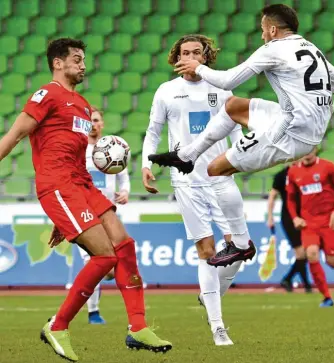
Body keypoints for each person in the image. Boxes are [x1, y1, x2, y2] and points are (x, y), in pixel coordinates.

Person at [0, 38, 171, 362]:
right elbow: (14, 136)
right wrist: (59, 208)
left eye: (83, 59)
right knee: (104, 256)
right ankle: (58, 325)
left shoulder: (81, 104)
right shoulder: (46, 94)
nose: (83, 64)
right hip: (58, 185)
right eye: (77, 59)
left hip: (81, 184)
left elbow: (73, 155)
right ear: (58, 63)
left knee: (124, 244)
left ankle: (137, 327)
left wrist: (61, 219)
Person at [148, 4, 334, 268]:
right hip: (299, 121)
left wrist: (198, 67)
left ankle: (241, 244)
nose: (262, 35)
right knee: (233, 107)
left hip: (289, 133)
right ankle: (186, 155)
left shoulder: (273, 49)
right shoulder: (311, 49)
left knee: (215, 169)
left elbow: (228, 80)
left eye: (264, 30)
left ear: (273, 29)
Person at [142, 34, 249, 346]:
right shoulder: (167, 91)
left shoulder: (221, 87)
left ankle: (210, 295)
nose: (189, 57)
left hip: (221, 177)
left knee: (239, 249)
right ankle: (218, 326)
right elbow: (154, 130)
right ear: (176, 57)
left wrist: (240, 155)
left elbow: (240, 127)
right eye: (184, 52)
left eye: (196, 53)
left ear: (206, 57)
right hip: (186, 182)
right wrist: (147, 164)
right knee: (207, 252)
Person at [78, 106, 131, 324]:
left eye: (97, 120)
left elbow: (124, 176)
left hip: (108, 214)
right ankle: (93, 313)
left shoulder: (113, 148)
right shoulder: (78, 150)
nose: (93, 124)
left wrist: (126, 191)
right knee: (93, 263)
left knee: (108, 269)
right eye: (89, 120)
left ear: (102, 124)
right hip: (85, 215)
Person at [286, 148, 334, 307]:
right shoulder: (293, 172)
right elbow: (290, 199)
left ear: (315, 149)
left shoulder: (328, 167)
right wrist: (295, 218)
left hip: (329, 221)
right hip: (309, 224)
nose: (307, 152)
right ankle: (327, 297)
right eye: (304, 149)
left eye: (310, 149)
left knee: (332, 261)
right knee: (311, 254)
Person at [267, 165, 312, 292]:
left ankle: (288, 279)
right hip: (288, 218)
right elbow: (272, 196)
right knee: (301, 252)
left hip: (306, 216)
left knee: (308, 251)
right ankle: (307, 285)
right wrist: (270, 217)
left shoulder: (306, 171)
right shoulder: (281, 175)